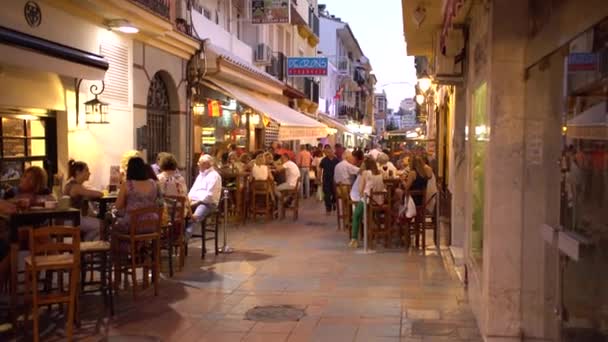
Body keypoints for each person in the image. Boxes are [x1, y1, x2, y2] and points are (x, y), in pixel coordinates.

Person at [114, 157, 162, 234]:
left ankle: (124, 246)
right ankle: (142, 245)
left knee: (113, 226)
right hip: (152, 223)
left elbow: (118, 206)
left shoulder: (127, 184)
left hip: (133, 225)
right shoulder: (153, 183)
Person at [63, 160, 104, 241]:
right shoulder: (76, 187)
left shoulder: (71, 184)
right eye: (86, 170)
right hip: (72, 220)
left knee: (97, 223)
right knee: (101, 225)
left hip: (70, 219)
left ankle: (84, 245)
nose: (89, 173)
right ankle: (83, 246)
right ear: (78, 172)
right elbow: (99, 194)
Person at [349, 157, 385, 248]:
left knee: (356, 215)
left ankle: (354, 239)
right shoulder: (381, 173)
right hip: (379, 201)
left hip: (368, 199)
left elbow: (361, 190)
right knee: (369, 215)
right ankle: (374, 232)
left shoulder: (365, 173)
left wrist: (361, 195)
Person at [187, 155, 222, 239]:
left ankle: (184, 238)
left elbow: (210, 196)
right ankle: (176, 236)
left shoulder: (214, 176)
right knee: (180, 212)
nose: (197, 164)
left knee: (196, 217)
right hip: (195, 201)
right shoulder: (200, 175)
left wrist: (197, 202)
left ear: (206, 164)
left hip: (207, 203)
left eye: (200, 162)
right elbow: (192, 190)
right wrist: (188, 200)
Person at [319, 147, 339, 213]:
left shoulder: (336, 160)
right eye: (329, 152)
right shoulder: (324, 160)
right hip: (326, 179)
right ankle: (328, 207)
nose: (331, 153)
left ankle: (333, 202)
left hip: (334, 180)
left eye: (332, 152)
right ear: (327, 153)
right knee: (327, 193)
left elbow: (339, 169)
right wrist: (319, 177)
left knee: (334, 193)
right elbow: (320, 168)